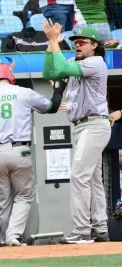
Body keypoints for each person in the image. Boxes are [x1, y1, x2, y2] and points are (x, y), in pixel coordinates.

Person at [0, 62, 64, 246]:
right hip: (20, 151)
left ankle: (5, 239)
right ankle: (13, 235)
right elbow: (52, 107)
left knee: (2, 201)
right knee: (25, 195)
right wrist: (59, 88)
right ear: (11, 77)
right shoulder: (23, 91)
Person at [42, 21, 111, 244]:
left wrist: (55, 41)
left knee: (79, 175)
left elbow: (61, 69)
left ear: (94, 45)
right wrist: (50, 45)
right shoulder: (73, 60)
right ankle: (100, 229)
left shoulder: (96, 62)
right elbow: (49, 72)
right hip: (82, 127)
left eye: (82, 42)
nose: (77, 44)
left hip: (94, 125)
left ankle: (82, 231)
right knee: (92, 180)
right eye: (75, 42)